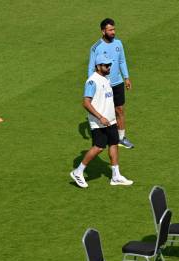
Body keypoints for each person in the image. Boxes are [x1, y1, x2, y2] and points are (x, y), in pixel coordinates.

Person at [70, 54, 133, 188]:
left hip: (110, 120)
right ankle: (78, 171)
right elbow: (86, 103)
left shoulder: (105, 78)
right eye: (106, 66)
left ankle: (116, 176)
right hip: (99, 122)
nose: (109, 67)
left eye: (109, 65)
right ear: (98, 66)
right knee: (99, 147)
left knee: (114, 144)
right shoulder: (92, 81)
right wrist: (100, 117)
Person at [88, 18, 134, 149]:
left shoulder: (118, 43)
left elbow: (122, 61)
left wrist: (126, 77)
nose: (113, 32)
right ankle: (101, 138)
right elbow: (91, 68)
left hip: (117, 82)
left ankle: (121, 137)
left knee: (119, 110)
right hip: (103, 86)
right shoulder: (96, 48)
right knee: (104, 111)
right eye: (110, 30)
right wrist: (93, 86)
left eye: (114, 29)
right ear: (103, 31)